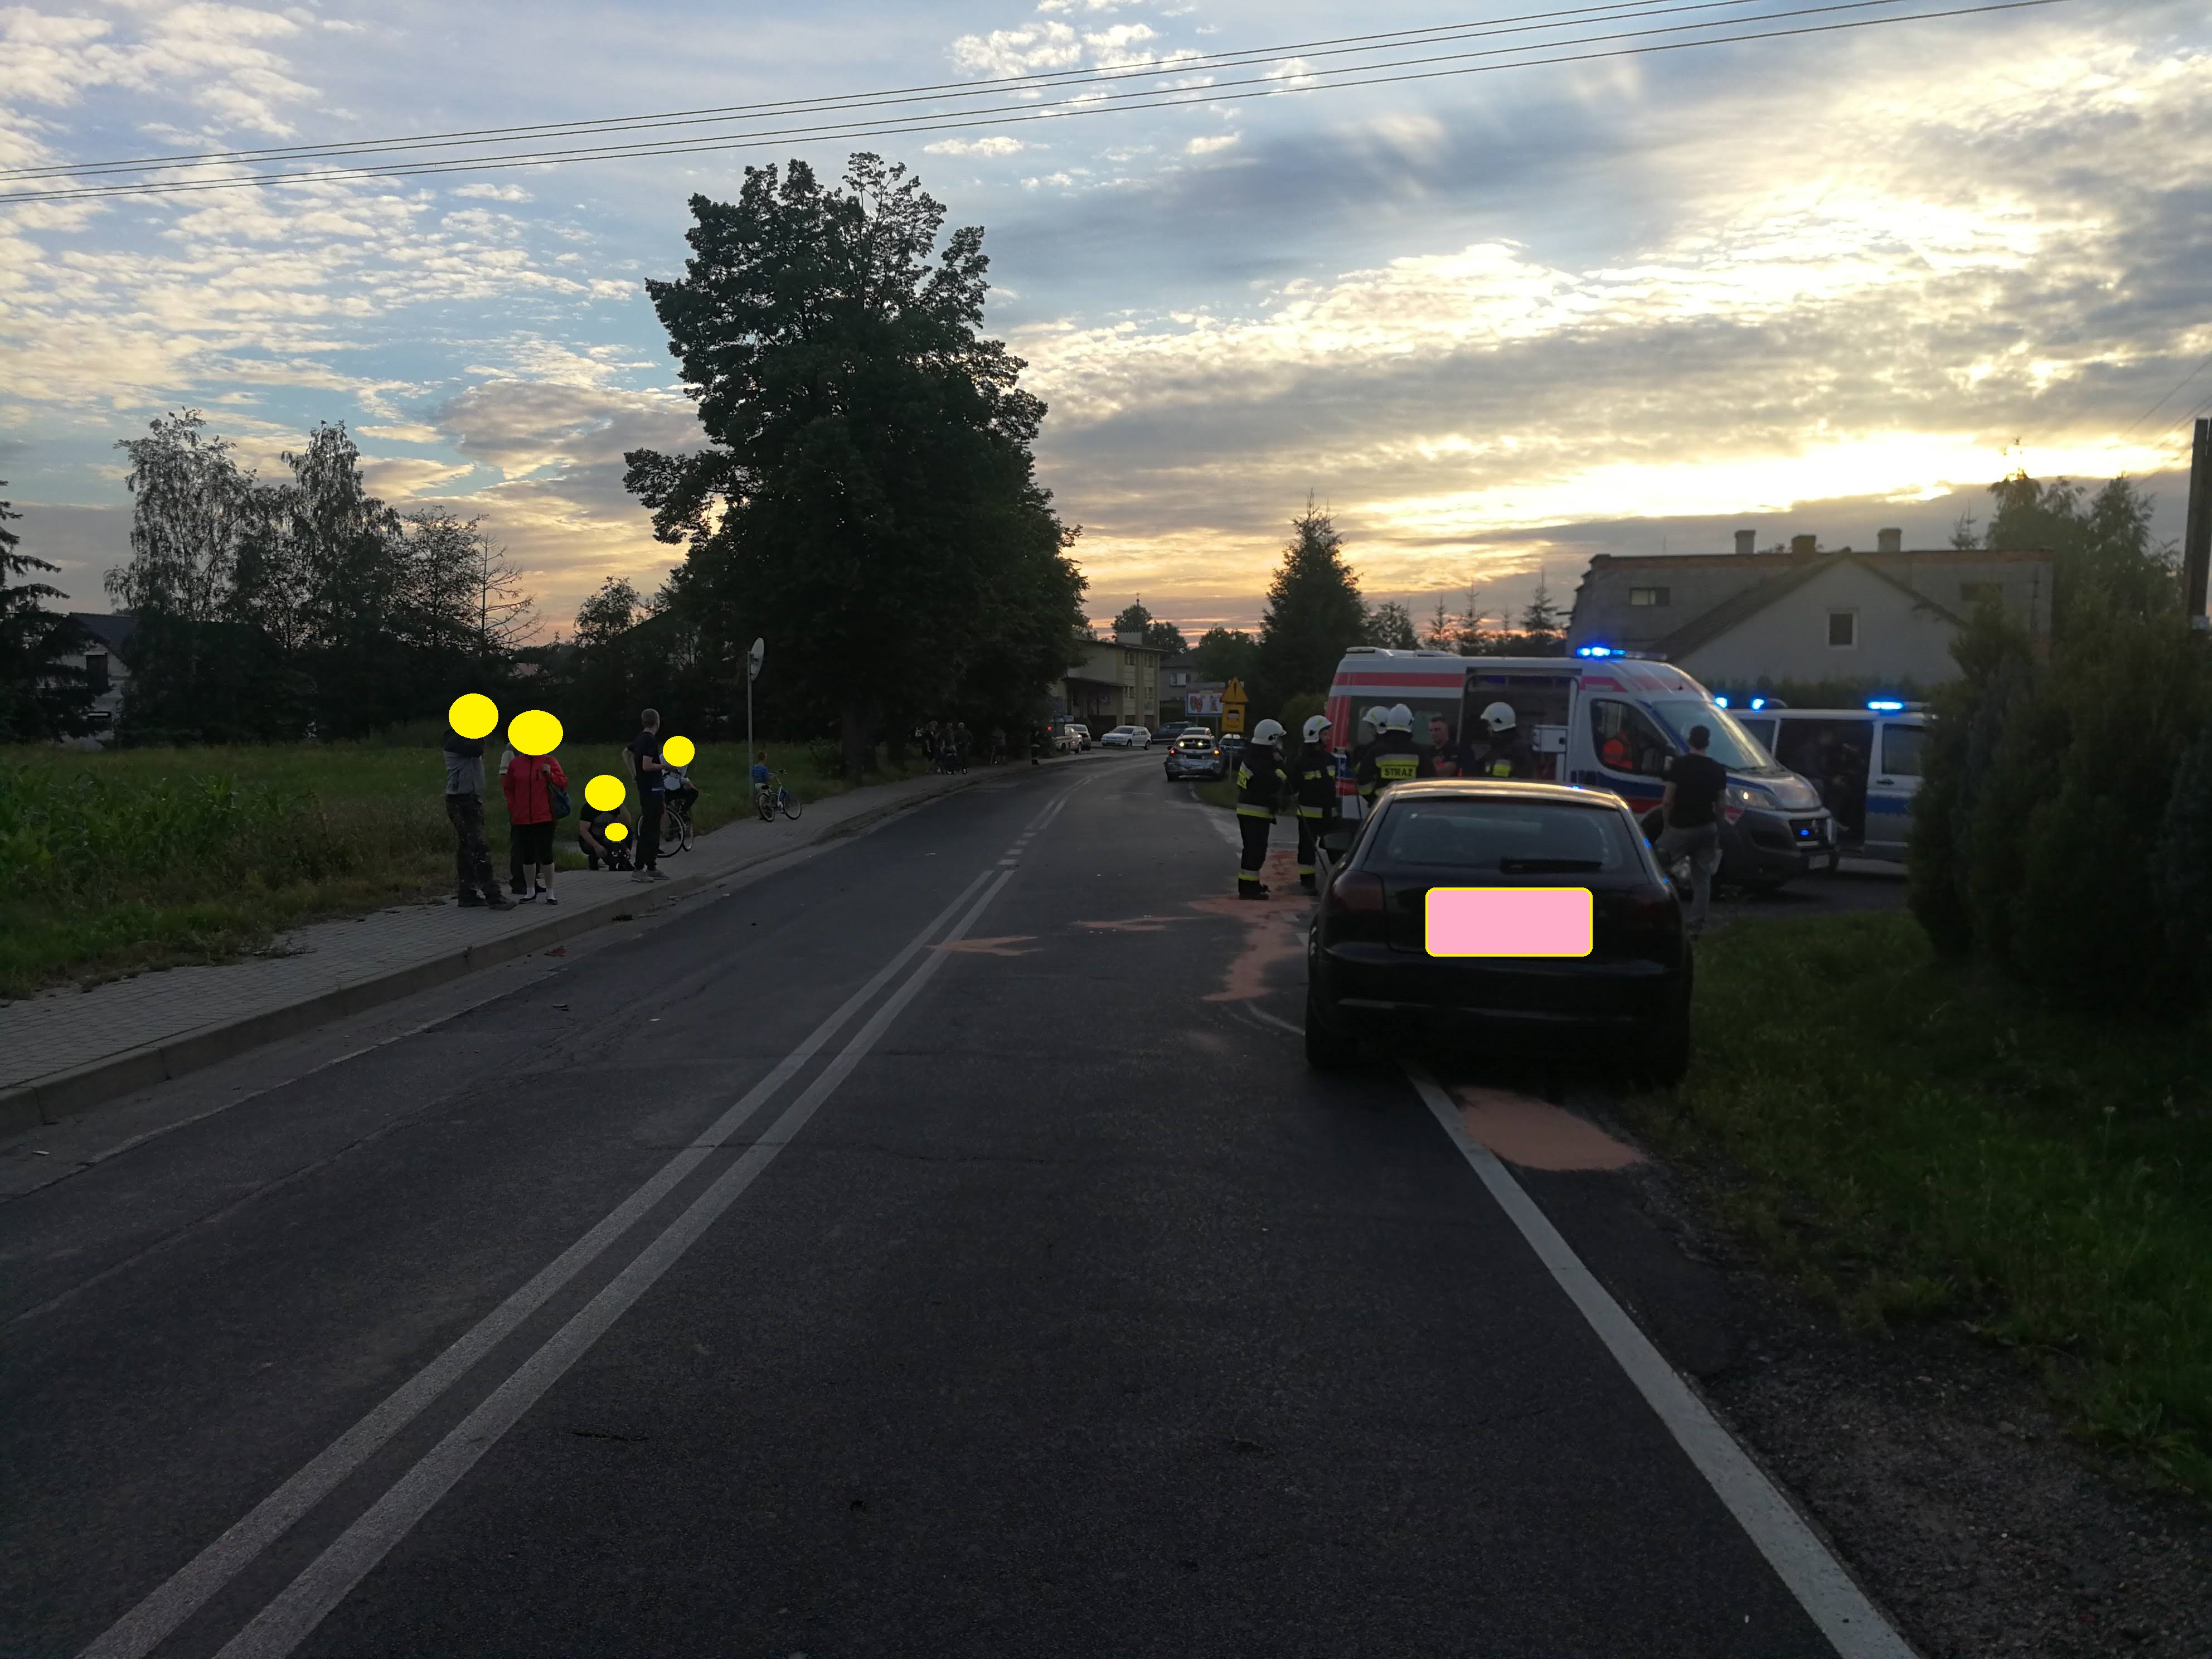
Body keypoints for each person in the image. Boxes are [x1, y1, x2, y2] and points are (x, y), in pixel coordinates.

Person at [1657, 722, 1729, 939]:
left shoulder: (1679, 765)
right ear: (1707, 743)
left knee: (1655, 866)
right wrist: (1717, 829)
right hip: (1707, 828)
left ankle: (1660, 917)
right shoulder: (1718, 769)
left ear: (1690, 741)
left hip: (1681, 827)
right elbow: (1721, 806)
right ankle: (1695, 927)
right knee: (1702, 878)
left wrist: (1667, 826)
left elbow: (1667, 801)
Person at [443, 724, 511, 910]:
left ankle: (467, 893)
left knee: (467, 849)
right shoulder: (455, 740)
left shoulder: (461, 739)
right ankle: (493, 895)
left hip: (469, 799)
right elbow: (478, 748)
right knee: (479, 848)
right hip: (462, 800)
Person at [501, 740, 569, 904]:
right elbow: (509, 787)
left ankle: (550, 892)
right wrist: (513, 807)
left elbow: (563, 783)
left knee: (546, 854)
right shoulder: (516, 764)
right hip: (522, 817)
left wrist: (550, 775)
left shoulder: (549, 761)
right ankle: (530, 891)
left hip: (544, 816)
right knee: (527, 854)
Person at [1234, 718, 1288, 900]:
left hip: (1250, 810)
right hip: (1254, 811)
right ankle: (1248, 890)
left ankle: (1251, 884)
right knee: (1255, 851)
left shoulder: (1255, 755)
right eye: (1278, 739)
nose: (1280, 744)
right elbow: (1273, 782)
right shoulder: (1262, 760)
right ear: (1271, 739)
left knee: (1253, 850)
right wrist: (1280, 766)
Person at [1292, 714, 1339, 894]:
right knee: (1307, 850)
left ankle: (1338, 882)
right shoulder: (1301, 762)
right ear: (1315, 735)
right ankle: (1308, 884)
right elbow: (1293, 787)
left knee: (1336, 849)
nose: (1328, 738)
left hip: (1330, 814)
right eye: (1325, 734)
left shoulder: (1331, 759)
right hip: (1309, 816)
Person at [1356, 703, 1430, 806]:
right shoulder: (1420, 752)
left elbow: (1363, 782)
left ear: (1389, 723)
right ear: (1410, 723)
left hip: (1383, 806)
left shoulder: (1376, 751)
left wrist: (1374, 801)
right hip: (1413, 806)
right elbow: (1429, 781)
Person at [627, 709, 671, 882]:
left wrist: (633, 774)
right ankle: (639, 868)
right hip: (652, 790)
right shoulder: (650, 740)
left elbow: (626, 753)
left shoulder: (639, 738)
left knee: (653, 828)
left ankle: (651, 866)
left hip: (650, 789)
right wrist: (665, 766)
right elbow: (647, 765)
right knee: (649, 829)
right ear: (657, 723)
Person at [1471, 702, 1536, 779]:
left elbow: (1524, 777)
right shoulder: (1493, 748)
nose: (1488, 728)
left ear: (1498, 725)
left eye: (1490, 725)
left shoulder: (1518, 750)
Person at [496, 742, 530, 895]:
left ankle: (531, 880)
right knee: (519, 844)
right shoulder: (512, 749)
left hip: (535, 805)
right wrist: (514, 803)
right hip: (519, 805)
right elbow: (504, 778)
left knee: (534, 844)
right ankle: (519, 881)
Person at [578, 803, 632, 871]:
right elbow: (583, 831)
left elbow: (627, 822)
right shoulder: (589, 807)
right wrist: (597, 846)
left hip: (607, 838)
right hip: (592, 839)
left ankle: (624, 862)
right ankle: (594, 857)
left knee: (627, 831)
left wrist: (621, 805)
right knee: (606, 855)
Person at [1426, 714, 1470, 778]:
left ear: (1446, 730)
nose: (1433, 733)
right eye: (1431, 730)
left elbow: (1445, 773)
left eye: (1437, 730)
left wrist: (1425, 764)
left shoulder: (1454, 749)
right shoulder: (1429, 751)